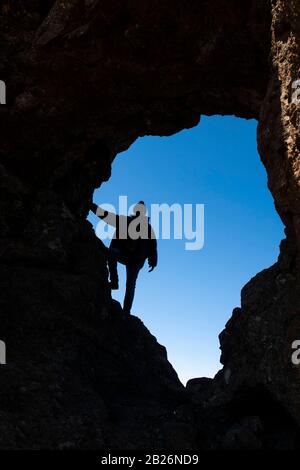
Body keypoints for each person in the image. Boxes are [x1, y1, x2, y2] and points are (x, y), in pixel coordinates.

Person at [91, 201, 157, 314]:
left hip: (135, 260)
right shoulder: (127, 221)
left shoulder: (146, 228)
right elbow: (106, 216)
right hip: (130, 257)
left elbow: (153, 246)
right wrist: (91, 206)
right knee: (130, 285)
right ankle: (116, 285)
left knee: (130, 284)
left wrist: (153, 260)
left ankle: (125, 311)